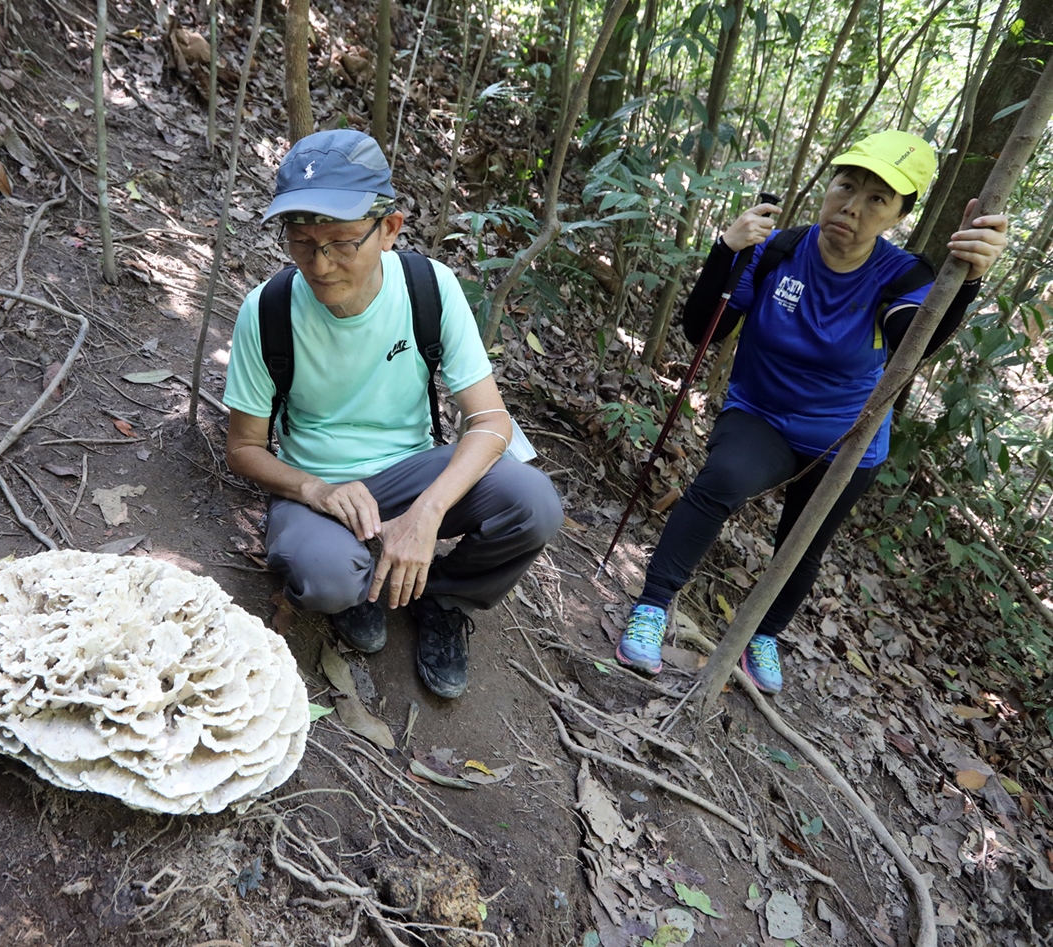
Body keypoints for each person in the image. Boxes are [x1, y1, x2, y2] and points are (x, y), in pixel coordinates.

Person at [616, 130, 1009, 694]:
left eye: (877, 199)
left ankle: (763, 633)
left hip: (846, 438)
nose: (852, 206)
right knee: (722, 479)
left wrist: (965, 284)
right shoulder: (777, 250)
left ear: (899, 214)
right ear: (827, 187)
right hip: (761, 414)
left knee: (805, 537)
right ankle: (654, 604)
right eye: (846, 186)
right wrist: (725, 253)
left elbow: (910, 344)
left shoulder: (902, 277)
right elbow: (704, 329)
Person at [223, 130, 564, 699]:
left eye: (340, 242)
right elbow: (243, 449)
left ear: (389, 228)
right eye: (302, 243)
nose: (321, 264)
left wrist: (428, 512)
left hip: (412, 470)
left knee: (533, 504)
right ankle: (357, 589)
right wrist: (313, 489)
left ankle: (445, 597)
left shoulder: (430, 288)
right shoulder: (268, 310)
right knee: (327, 577)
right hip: (320, 485)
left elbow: (492, 422)